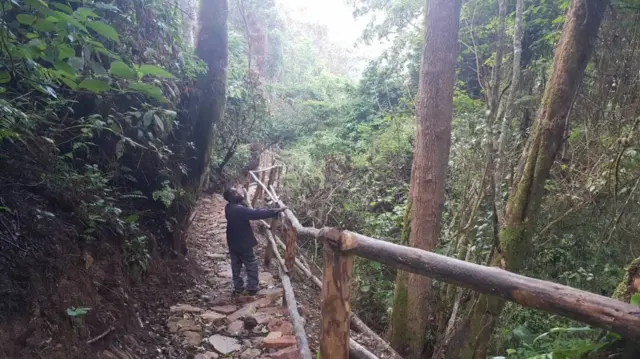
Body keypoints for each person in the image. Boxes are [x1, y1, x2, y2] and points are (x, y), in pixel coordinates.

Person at [223, 188, 287, 295]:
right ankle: (252, 287)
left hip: (232, 241)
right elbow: (256, 213)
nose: (238, 193)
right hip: (242, 241)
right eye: (235, 192)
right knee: (251, 263)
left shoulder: (229, 207)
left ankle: (238, 286)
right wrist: (275, 211)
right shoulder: (238, 209)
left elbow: (247, 209)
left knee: (236, 264)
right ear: (229, 197)